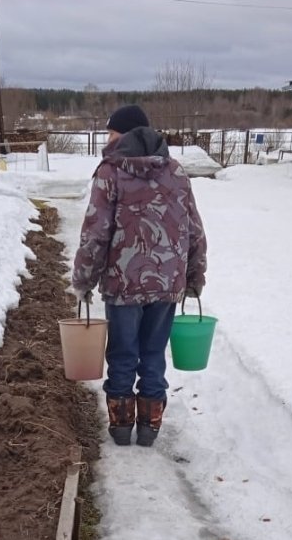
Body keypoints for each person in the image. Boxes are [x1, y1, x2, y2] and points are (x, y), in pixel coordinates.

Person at [71, 104, 207, 447]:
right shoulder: (175, 172)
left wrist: (84, 279)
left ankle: (120, 429)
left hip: (123, 281)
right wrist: (194, 274)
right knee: (152, 352)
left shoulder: (110, 172)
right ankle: (149, 428)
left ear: (123, 134)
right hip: (167, 282)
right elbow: (193, 228)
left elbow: (95, 232)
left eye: (111, 132)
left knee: (122, 353)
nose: (107, 138)